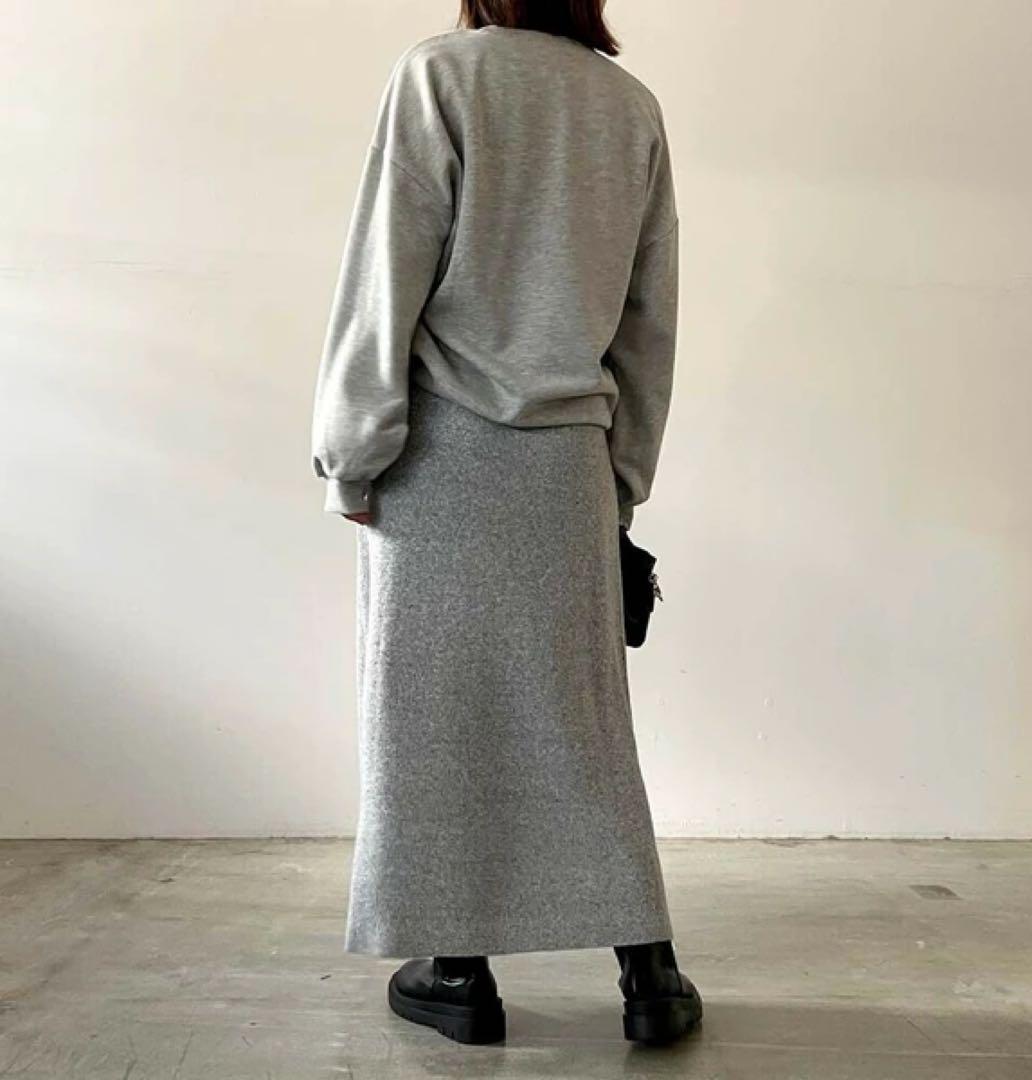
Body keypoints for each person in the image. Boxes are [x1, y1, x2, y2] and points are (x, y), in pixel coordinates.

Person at [310, 0, 701, 1047]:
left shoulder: (442, 75)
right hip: (569, 463)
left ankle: (457, 971)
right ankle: (650, 973)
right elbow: (648, 318)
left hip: (440, 454)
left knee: (434, 718)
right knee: (585, 720)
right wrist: (621, 477)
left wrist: (353, 448)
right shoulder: (629, 106)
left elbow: (385, 271)